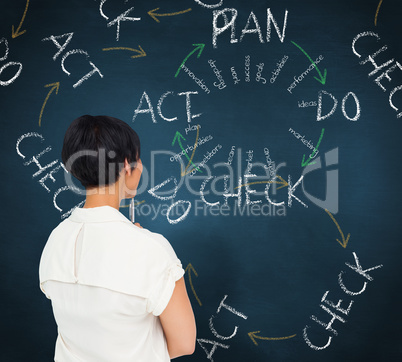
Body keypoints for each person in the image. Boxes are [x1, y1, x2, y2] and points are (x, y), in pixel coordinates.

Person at [39, 115, 196, 361]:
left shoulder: (55, 240)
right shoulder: (152, 250)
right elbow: (184, 344)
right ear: (126, 165)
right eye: (138, 157)